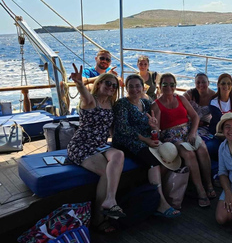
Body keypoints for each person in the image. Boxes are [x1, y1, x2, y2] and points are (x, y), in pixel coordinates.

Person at [112, 74, 181, 218]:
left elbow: (153, 126)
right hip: (126, 141)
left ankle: (155, 193)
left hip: (145, 139)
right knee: (153, 160)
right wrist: (146, 140)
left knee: (168, 154)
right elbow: (123, 129)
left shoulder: (145, 104)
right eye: (131, 86)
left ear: (143, 88)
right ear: (126, 88)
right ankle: (161, 203)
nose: (134, 89)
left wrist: (154, 130)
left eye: (138, 86)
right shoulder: (122, 104)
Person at [67, 64, 125, 233]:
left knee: (119, 154)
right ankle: (99, 220)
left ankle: (110, 199)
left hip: (100, 145)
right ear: (98, 84)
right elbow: (85, 94)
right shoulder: (91, 101)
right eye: (107, 83)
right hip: (82, 146)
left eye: (114, 85)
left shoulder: (111, 104)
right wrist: (78, 83)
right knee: (107, 172)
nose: (111, 87)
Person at [151, 73, 215, 207]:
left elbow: (195, 117)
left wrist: (192, 132)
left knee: (202, 148)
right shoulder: (156, 105)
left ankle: (209, 184)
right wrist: (153, 127)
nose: (169, 87)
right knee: (188, 153)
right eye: (165, 84)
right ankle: (201, 191)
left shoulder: (180, 98)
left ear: (175, 86)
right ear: (160, 86)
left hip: (188, 131)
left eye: (172, 84)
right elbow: (156, 129)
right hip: (171, 136)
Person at [183, 73, 217, 158]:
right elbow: (179, 104)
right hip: (189, 125)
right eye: (198, 82)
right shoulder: (189, 94)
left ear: (208, 83)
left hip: (205, 127)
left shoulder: (214, 96)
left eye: (203, 82)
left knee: (203, 146)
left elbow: (218, 114)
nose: (201, 85)